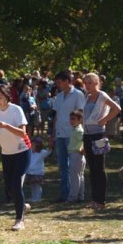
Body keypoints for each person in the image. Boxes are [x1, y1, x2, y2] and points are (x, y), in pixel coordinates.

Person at [0, 84, 31, 231]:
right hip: (6, 153)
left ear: (7, 96)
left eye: (1, 98)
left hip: (22, 150)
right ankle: (22, 205)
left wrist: (5, 125)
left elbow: (23, 133)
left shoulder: (16, 110)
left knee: (16, 183)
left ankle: (19, 220)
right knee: (10, 189)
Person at [83, 73, 121, 209]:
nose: (87, 86)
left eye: (89, 83)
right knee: (92, 168)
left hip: (98, 135)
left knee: (99, 167)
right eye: (85, 83)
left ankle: (101, 201)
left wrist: (105, 119)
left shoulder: (102, 95)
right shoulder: (87, 97)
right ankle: (94, 199)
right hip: (87, 135)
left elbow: (117, 108)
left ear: (96, 83)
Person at [49, 71, 85, 202]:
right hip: (60, 134)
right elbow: (57, 116)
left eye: (59, 82)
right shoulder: (58, 96)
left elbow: (81, 114)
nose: (57, 85)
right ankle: (65, 194)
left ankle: (75, 195)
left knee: (74, 166)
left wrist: (82, 138)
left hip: (73, 135)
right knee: (62, 166)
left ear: (67, 81)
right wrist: (52, 134)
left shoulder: (78, 94)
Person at [25, 137, 51, 203]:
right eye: (31, 144)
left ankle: (38, 198)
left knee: (37, 186)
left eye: (34, 144)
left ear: (38, 145)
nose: (32, 145)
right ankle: (33, 197)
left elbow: (48, 151)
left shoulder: (42, 152)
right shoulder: (30, 152)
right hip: (30, 172)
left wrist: (50, 145)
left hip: (38, 173)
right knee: (32, 186)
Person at [67, 110, 86, 203]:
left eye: (73, 119)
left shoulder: (79, 130)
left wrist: (83, 149)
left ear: (80, 119)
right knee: (80, 176)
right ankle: (80, 196)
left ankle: (73, 197)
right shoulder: (76, 129)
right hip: (76, 155)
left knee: (74, 177)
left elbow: (85, 140)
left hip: (76, 155)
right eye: (70, 119)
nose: (71, 121)